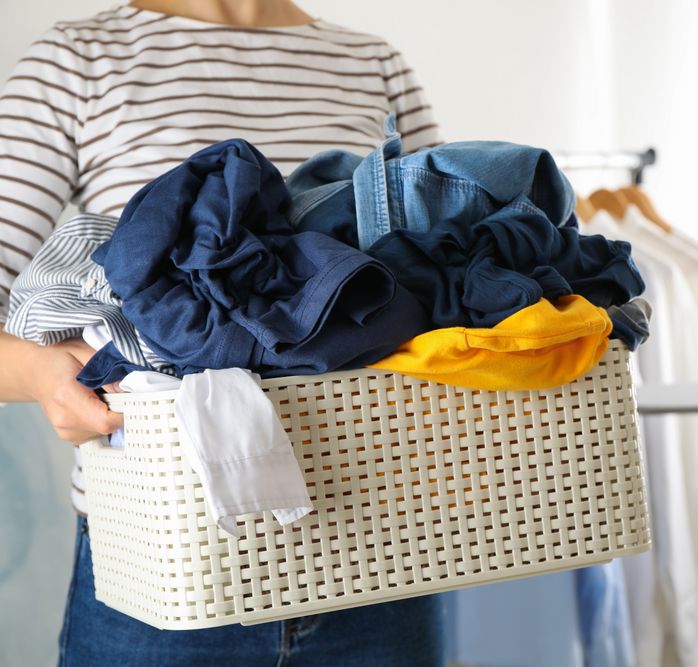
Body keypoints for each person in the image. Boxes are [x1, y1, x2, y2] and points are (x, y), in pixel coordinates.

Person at [0, 1, 445, 664]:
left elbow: (449, 273)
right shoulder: (77, 64)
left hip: (380, 559)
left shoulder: (374, 67)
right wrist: (44, 377)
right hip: (163, 574)